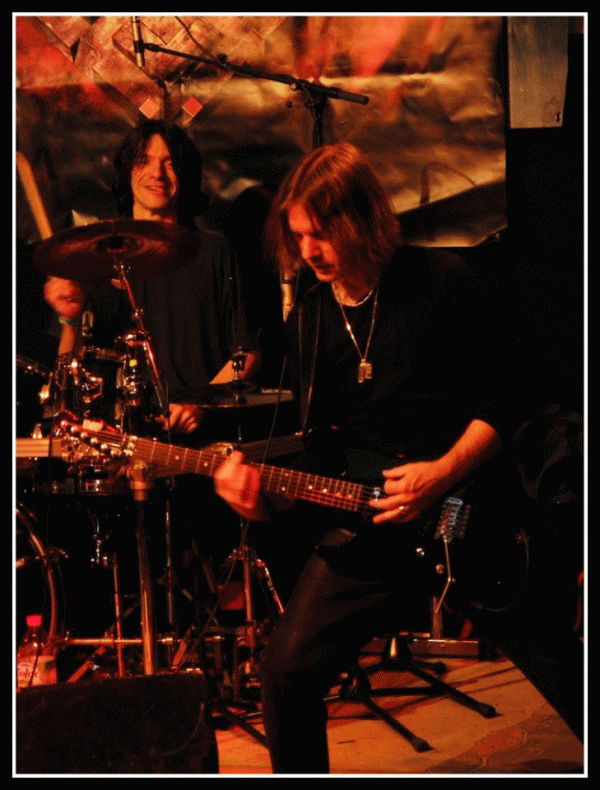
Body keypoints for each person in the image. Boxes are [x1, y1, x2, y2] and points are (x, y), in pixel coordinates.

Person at [213, 142, 582, 773]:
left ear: (361, 219)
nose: (308, 251)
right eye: (298, 236)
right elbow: (322, 451)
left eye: (321, 233)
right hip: (374, 522)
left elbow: (511, 393)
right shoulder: (310, 320)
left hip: (473, 512)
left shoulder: (443, 281)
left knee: (559, 662)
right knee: (286, 672)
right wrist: (262, 498)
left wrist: (442, 474)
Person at [43, 119, 262, 436]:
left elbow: (248, 352)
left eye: (170, 164)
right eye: (144, 161)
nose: (157, 174)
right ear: (127, 171)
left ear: (185, 176)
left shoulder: (215, 252)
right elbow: (69, 370)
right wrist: (69, 318)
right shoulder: (96, 256)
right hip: (124, 438)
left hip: (205, 436)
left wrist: (200, 405)